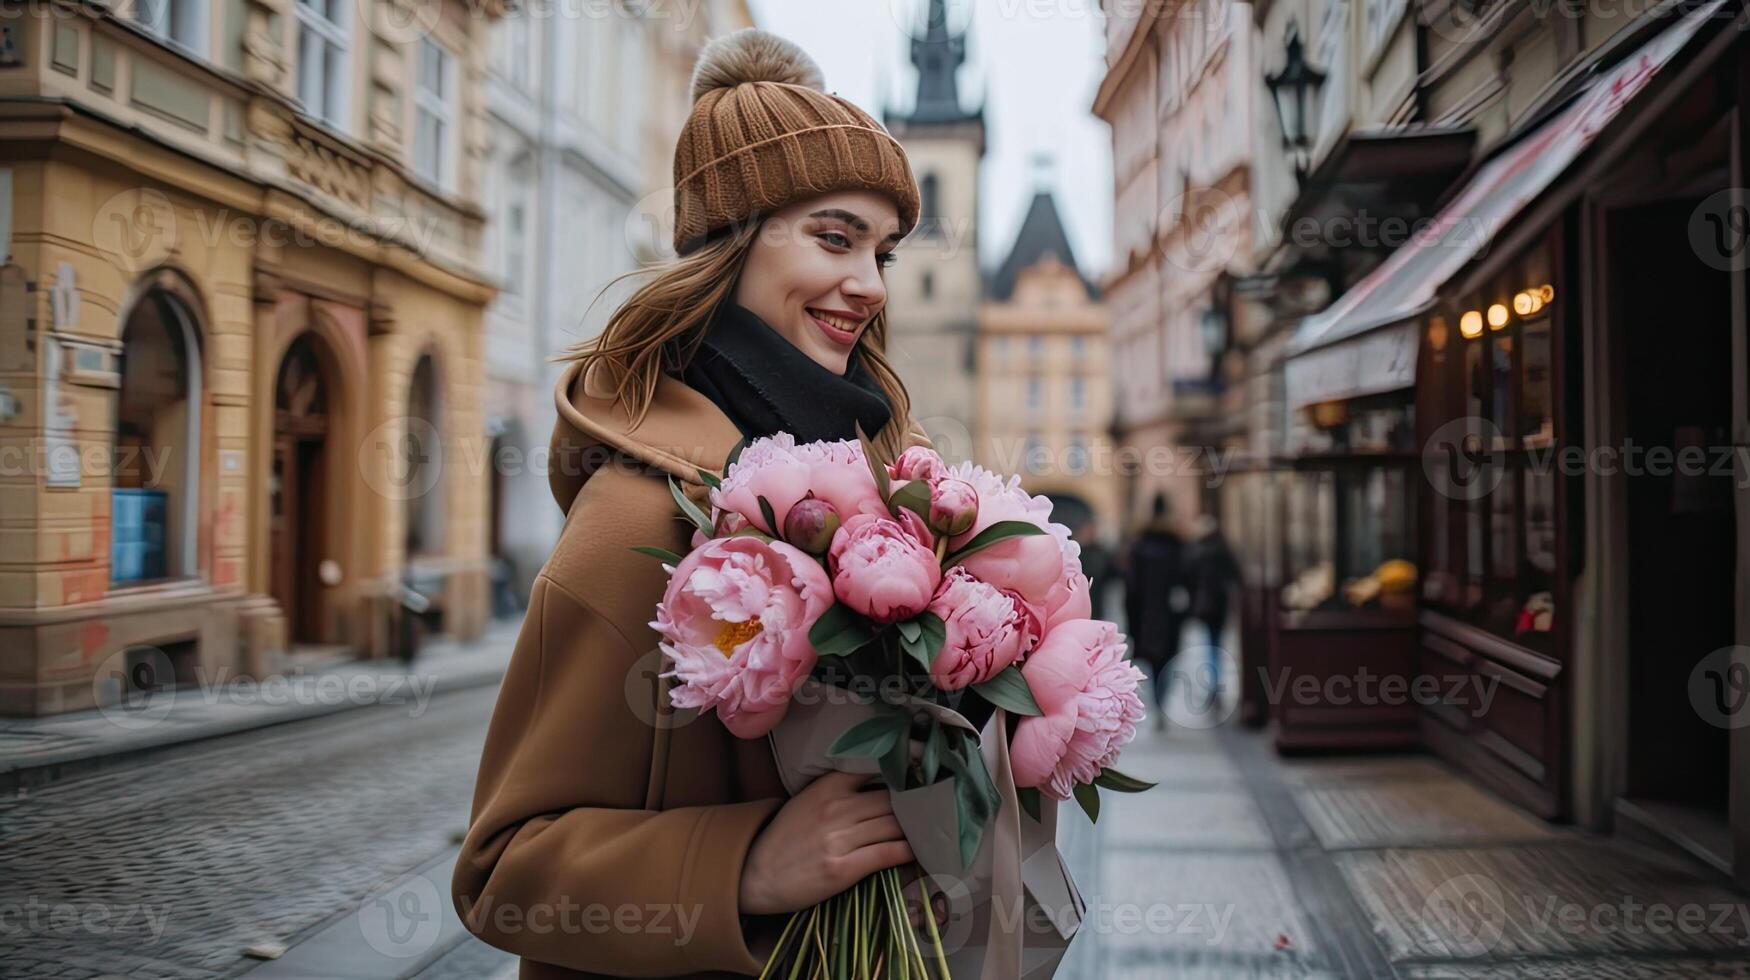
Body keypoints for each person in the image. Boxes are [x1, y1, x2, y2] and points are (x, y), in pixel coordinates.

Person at [452, 30, 933, 978]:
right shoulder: (638, 520)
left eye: (883, 251)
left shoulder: (887, 485)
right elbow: (504, 869)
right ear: (732, 242)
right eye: (834, 238)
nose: (869, 285)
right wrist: (746, 866)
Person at [1124, 492, 1191, 730]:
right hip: (1171, 614)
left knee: (1153, 661)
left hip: (1146, 615)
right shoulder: (1178, 545)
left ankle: (1158, 702)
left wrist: (1131, 619)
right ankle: (1162, 701)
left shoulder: (1139, 546)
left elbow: (1130, 588)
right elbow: (1188, 579)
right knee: (1169, 658)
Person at [1187, 513, 1240, 697]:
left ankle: (1213, 679)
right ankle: (1216, 679)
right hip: (1221, 604)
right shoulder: (1223, 550)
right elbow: (1236, 575)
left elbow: (1189, 580)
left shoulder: (1197, 551)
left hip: (1205, 605)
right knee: (1217, 641)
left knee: (1210, 642)